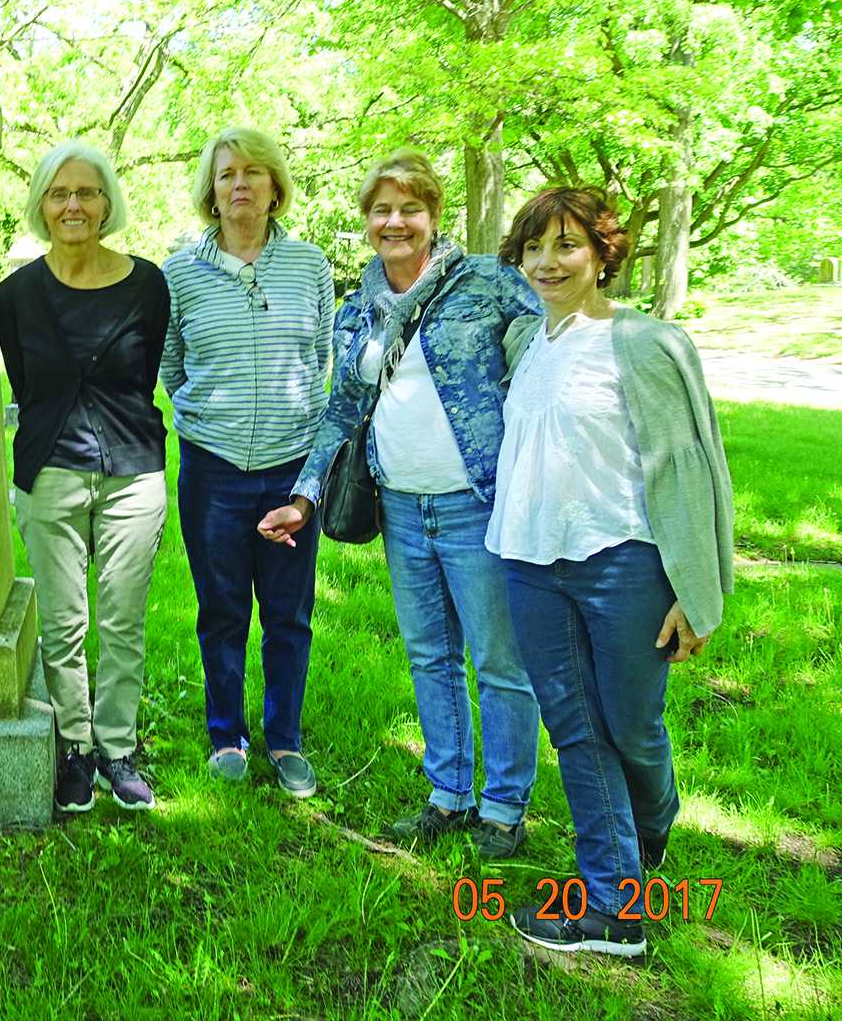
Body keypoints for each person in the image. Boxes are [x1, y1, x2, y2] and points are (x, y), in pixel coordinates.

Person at [260, 148, 541, 850]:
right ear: (367, 221)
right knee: (430, 657)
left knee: (499, 662)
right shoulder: (360, 308)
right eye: (382, 210)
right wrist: (304, 494)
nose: (396, 222)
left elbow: (553, 340)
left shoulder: (484, 281)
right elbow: (342, 409)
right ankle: (449, 796)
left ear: (434, 215)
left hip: (477, 503)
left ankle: (504, 808)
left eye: (410, 208)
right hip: (403, 510)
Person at [489, 188, 732, 957]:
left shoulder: (648, 343)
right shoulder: (525, 342)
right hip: (529, 563)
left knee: (632, 726)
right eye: (533, 248)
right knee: (578, 731)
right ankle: (613, 907)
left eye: (566, 246)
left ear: (602, 255)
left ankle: (652, 826)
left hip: (622, 564)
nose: (547, 263)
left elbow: (692, 467)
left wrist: (695, 593)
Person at [0, 140, 170, 812]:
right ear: (43, 205)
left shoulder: (147, 283)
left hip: (133, 472)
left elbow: (144, 374)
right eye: (60, 193)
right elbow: (29, 384)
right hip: (49, 471)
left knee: (123, 620)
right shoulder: (15, 295)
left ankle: (117, 747)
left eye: (87, 193)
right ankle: (74, 746)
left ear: (107, 203)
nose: (74, 205)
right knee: (64, 624)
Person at [164, 127, 333, 799]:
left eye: (255, 173)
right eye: (228, 173)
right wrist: (214, 420)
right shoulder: (179, 272)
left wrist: (295, 461)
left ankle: (285, 740)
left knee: (288, 616)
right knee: (222, 611)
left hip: (289, 474)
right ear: (211, 189)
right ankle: (226, 734)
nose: (241, 185)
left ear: (275, 187)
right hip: (213, 471)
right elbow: (172, 366)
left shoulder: (311, 265)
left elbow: (318, 359)